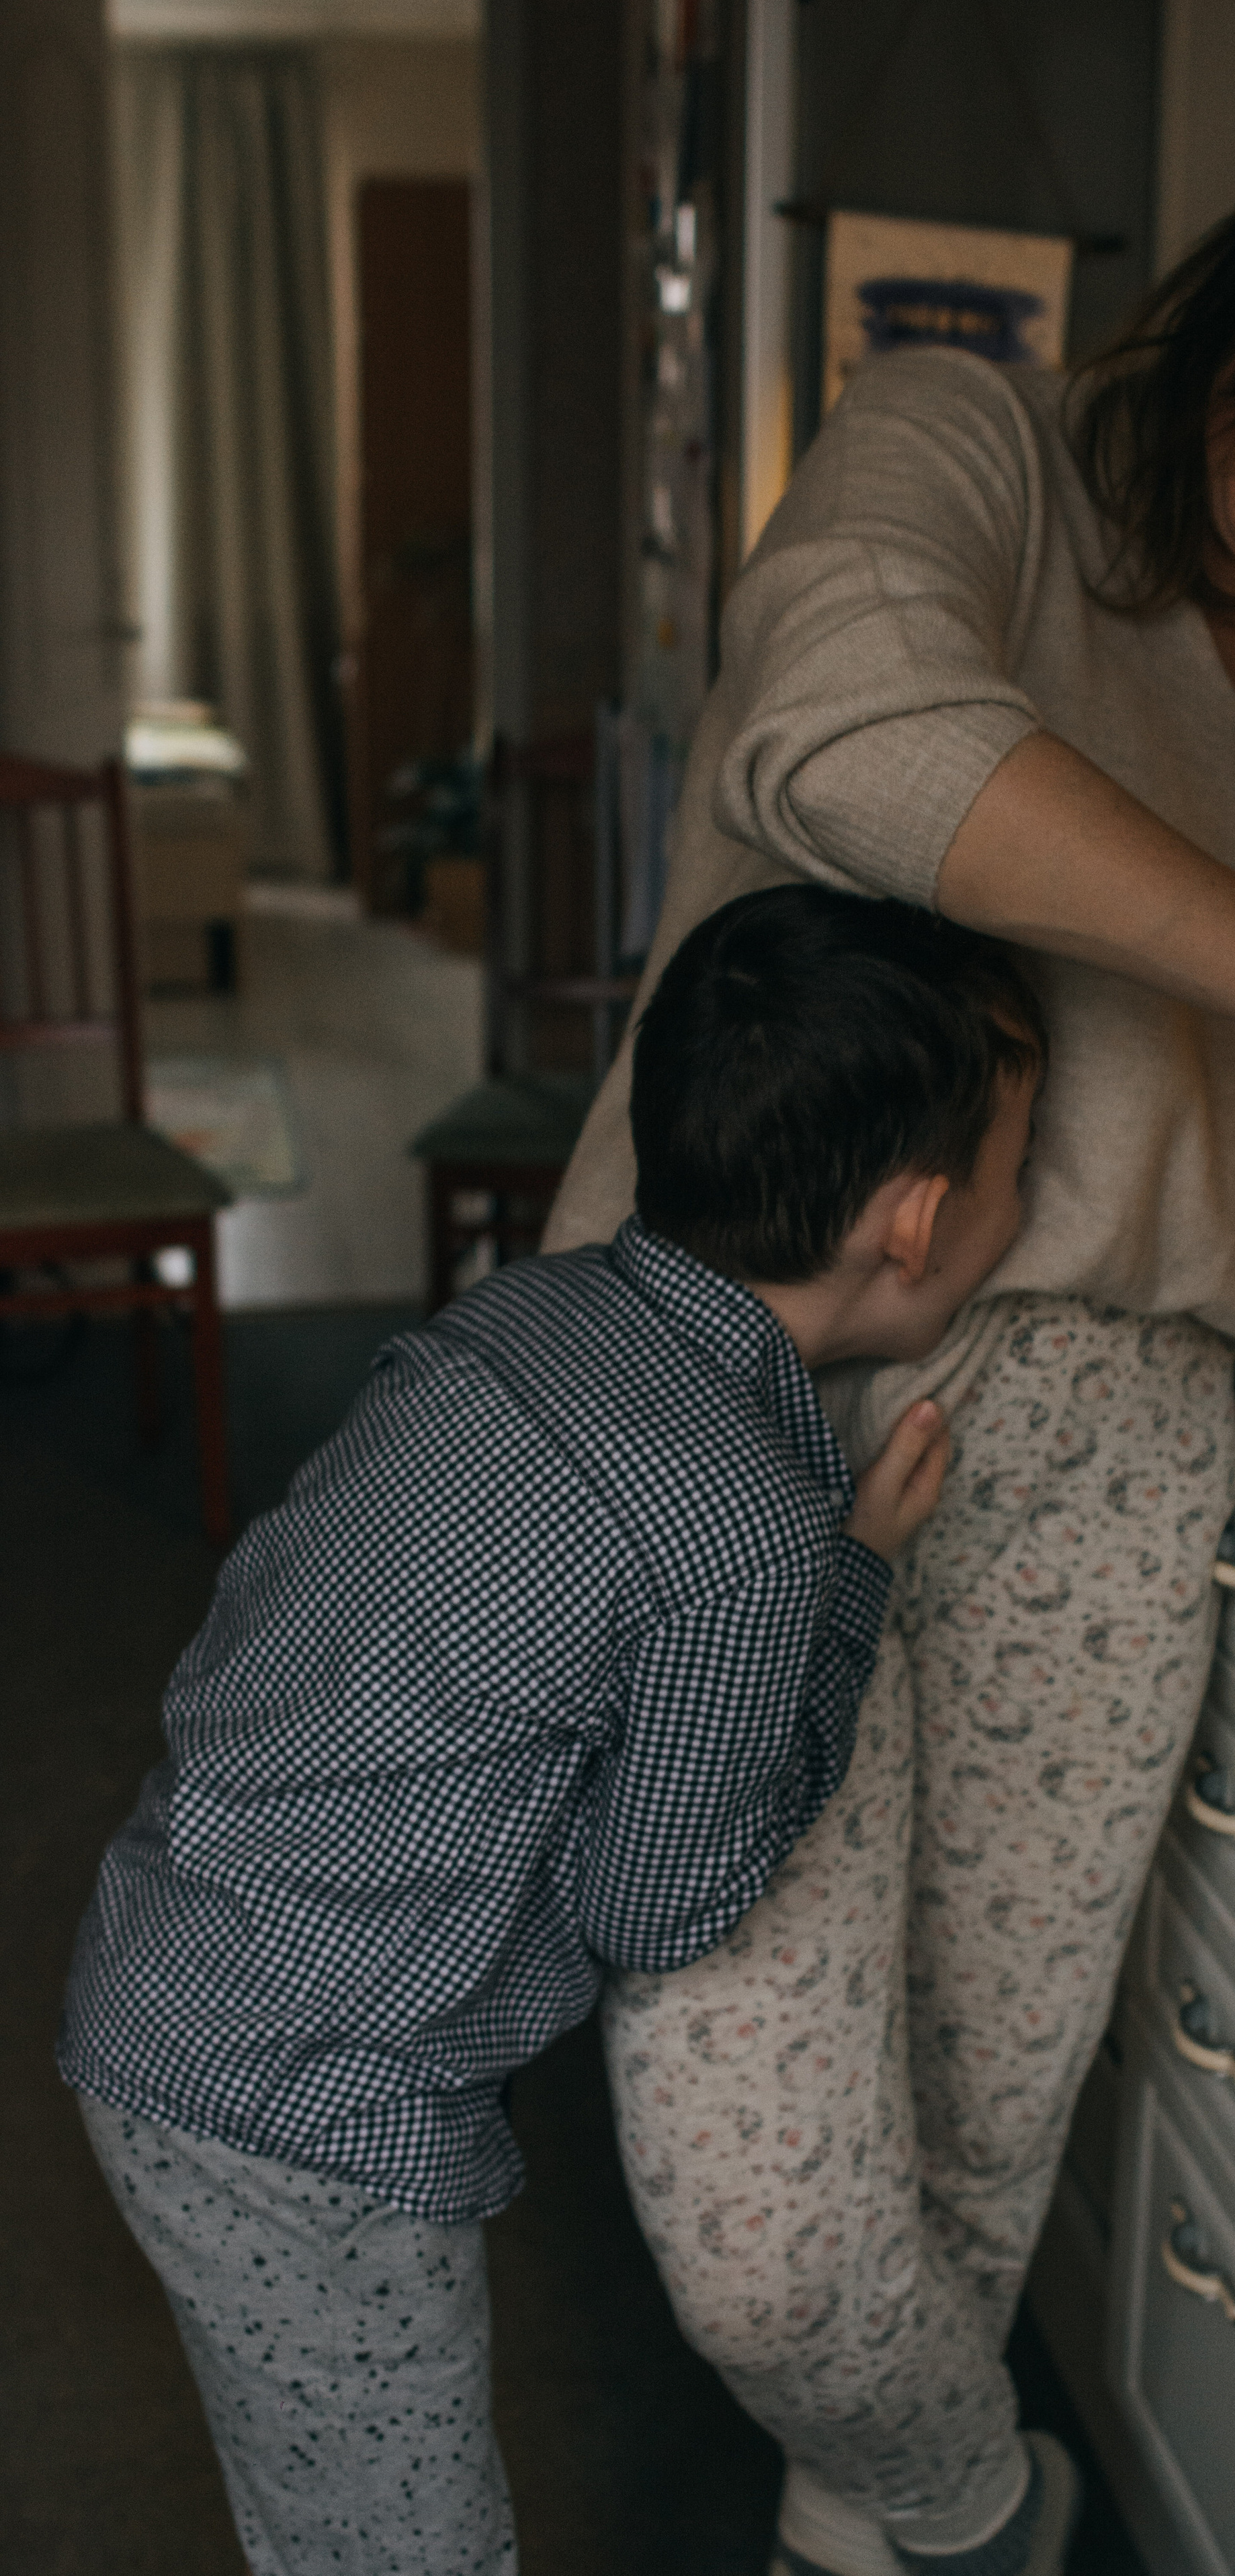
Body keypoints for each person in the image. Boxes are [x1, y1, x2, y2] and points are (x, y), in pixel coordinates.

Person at [539, 62, 1235, 2576]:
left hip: (1119, 1448)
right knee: (763, 2214)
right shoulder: (971, 455)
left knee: (974, 2117)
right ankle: (986, 2505)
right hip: (759, 1406)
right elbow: (850, 748)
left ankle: (861, 2545)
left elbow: (1175, 1071)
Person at [57, 884, 1048, 2576]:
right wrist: (851, 1586)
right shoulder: (749, 1535)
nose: (1025, 1208)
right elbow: (655, 1905)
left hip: (170, 1954)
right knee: (399, 2546)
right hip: (301, 2105)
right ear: (918, 1220)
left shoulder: (523, 1312)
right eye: (1021, 1170)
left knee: (327, 2514)